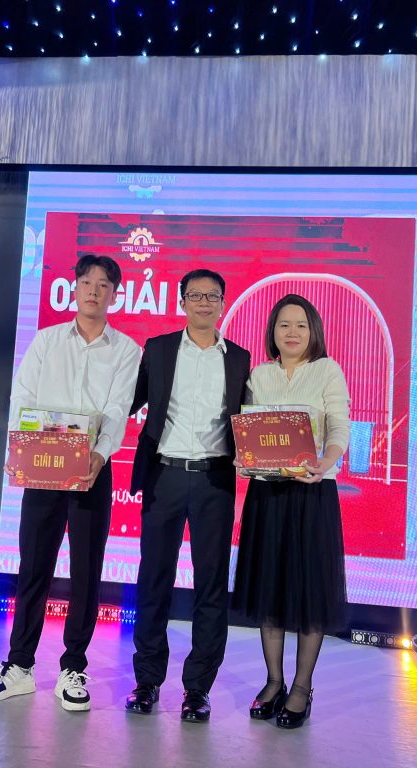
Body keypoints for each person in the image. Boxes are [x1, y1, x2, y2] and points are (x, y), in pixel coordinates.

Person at [0, 254, 141, 712]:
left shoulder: (127, 350)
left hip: (93, 471)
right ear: (75, 288)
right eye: (86, 282)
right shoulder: (46, 341)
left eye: (103, 285)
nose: (93, 291)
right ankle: (19, 666)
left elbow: (118, 409)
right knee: (33, 567)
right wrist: (19, 449)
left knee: (86, 572)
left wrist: (99, 455)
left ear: (114, 294)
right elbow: (23, 397)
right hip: (43, 468)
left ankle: (74, 668)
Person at [124, 269, 251, 723]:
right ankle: (147, 680)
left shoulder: (239, 359)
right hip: (165, 475)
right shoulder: (158, 350)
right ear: (181, 302)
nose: (203, 302)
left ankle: (197, 688)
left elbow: (250, 417)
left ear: (222, 303)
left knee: (210, 584)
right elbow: (126, 400)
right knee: (153, 579)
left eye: (212, 296)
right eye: (195, 295)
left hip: (215, 480)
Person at [230, 293, 350, 730]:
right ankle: (273, 681)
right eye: (284, 324)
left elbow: (339, 428)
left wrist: (325, 461)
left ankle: (301, 687)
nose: (292, 332)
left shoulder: (327, 370)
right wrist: (243, 456)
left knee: (309, 591)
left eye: (300, 324)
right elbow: (249, 430)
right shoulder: (259, 375)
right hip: (267, 495)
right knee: (271, 588)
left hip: (312, 495)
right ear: (273, 332)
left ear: (313, 330)